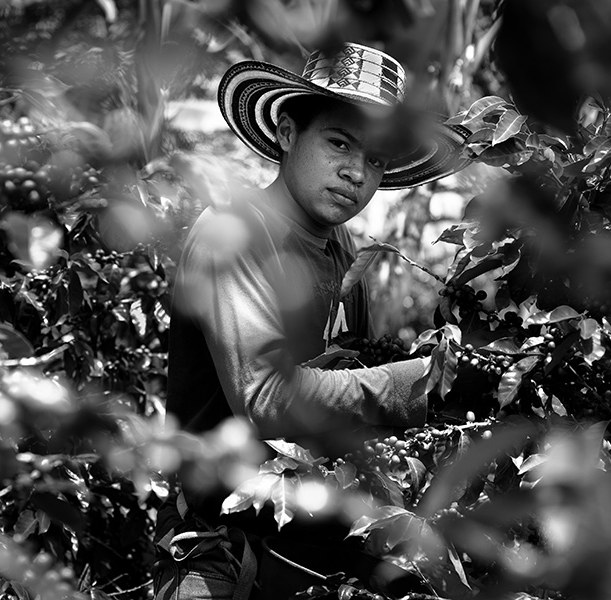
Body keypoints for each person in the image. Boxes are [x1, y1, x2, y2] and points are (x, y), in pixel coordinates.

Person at [153, 43, 470, 600]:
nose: (355, 172)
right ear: (286, 133)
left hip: (313, 545)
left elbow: (343, 384)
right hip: (225, 546)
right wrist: (418, 382)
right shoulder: (236, 233)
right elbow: (267, 399)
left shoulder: (342, 252)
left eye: (375, 159)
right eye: (340, 143)